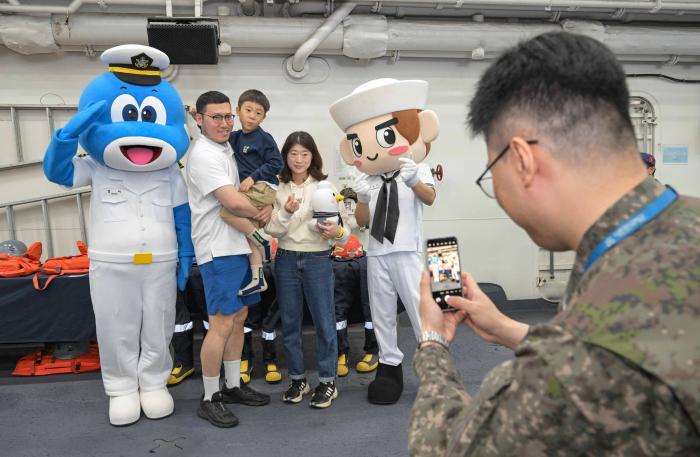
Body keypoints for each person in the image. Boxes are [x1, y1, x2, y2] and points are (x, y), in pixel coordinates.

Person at [409, 31, 700, 456]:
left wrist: (432, 343)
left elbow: (449, 447)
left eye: (493, 173)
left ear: (524, 160)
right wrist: (512, 331)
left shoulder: (577, 363)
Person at [329, 78, 439, 405]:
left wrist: (414, 180)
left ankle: (435, 370)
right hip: (376, 253)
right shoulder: (370, 179)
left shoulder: (418, 168)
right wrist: (360, 198)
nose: (372, 151)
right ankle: (389, 367)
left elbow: (430, 198)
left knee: (422, 315)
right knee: (381, 315)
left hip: (406, 253)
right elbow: (363, 222)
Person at [186, 90, 271, 428]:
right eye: (215, 117)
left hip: (237, 244)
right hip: (217, 250)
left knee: (239, 317)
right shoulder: (203, 155)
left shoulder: (226, 148)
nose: (224, 123)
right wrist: (263, 215)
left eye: (227, 117)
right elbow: (232, 202)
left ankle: (233, 385)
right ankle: (209, 397)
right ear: (200, 119)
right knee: (221, 322)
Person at [265, 131, 349, 409]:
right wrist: (286, 211)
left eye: (304, 153)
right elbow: (271, 229)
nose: (299, 159)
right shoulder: (277, 187)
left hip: (318, 260)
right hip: (286, 258)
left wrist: (337, 232)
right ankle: (298, 379)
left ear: (313, 156)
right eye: (293, 153)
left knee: (324, 321)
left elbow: (344, 233)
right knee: (290, 323)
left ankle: (327, 381)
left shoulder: (325, 185)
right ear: (285, 156)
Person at [220, 89, 283, 296]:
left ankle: (263, 241)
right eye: (248, 110)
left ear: (263, 117)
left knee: (227, 212)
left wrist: (252, 177)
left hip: (262, 186)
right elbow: (215, 133)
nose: (252, 116)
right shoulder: (235, 137)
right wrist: (199, 121)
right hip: (254, 189)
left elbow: (277, 163)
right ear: (238, 111)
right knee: (249, 237)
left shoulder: (264, 138)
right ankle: (258, 279)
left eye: (258, 113)